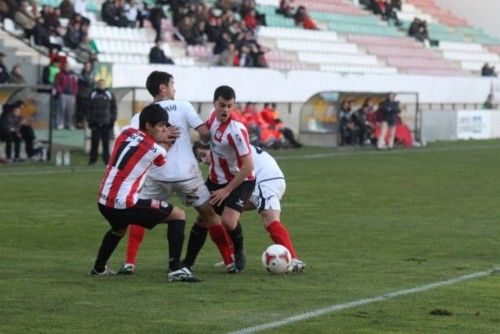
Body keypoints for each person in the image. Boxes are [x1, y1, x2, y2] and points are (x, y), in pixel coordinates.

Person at [118, 71, 236, 275]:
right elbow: (205, 134)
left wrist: (158, 139)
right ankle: (229, 262)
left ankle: (129, 262)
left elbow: (133, 144)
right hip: (187, 176)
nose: (175, 88)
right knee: (208, 214)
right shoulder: (183, 106)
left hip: (156, 176)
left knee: (139, 217)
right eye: (172, 84)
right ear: (163, 87)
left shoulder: (140, 115)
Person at [90, 103, 200, 282]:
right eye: (161, 126)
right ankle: (175, 270)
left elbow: (140, 143)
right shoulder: (155, 150)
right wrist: (166, 141)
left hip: (103, 201)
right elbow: (161, 158)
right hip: (125, 204)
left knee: (118, 229)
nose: (164, 129)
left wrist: (159, 137)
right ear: (148, 126)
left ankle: (98, 268)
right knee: (178, 215)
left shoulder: (126, 131)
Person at [192, 142, 306, 272]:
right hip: (254, 181)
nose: (204, 160)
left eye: (203, 154)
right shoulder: (221, 156)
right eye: (200, 158)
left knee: (270, 219)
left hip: (265, 179)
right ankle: (231, 257)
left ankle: (294, 259)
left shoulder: (225, 149)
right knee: (210, 211)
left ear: (212, 148)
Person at [200, 85, 255, 271]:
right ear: (214, 103)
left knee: (228, 222)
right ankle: (186, 262)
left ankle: (239, 250)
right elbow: (208, 135)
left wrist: (227, 190)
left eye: (230, 106)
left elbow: (248, 166)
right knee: (202, 215)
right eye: (222, 105)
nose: (225, 110)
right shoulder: (212, 116)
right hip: (216, 178)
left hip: (240, 180)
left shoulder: (236, 131)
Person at [88, 79, 116, 165]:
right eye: (99, 84)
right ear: (97, 85)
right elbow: (89, 108)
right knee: (94, 142)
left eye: (102, 84)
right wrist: (89, 120)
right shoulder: (93, 94)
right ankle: (93, 160)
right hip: (95, 122)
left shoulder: (109, 94)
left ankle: (106, 160)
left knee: (106, 142)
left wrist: (112, 120)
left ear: (105, 85)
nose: (101, 85)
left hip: (106, 122)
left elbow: (113, 108)